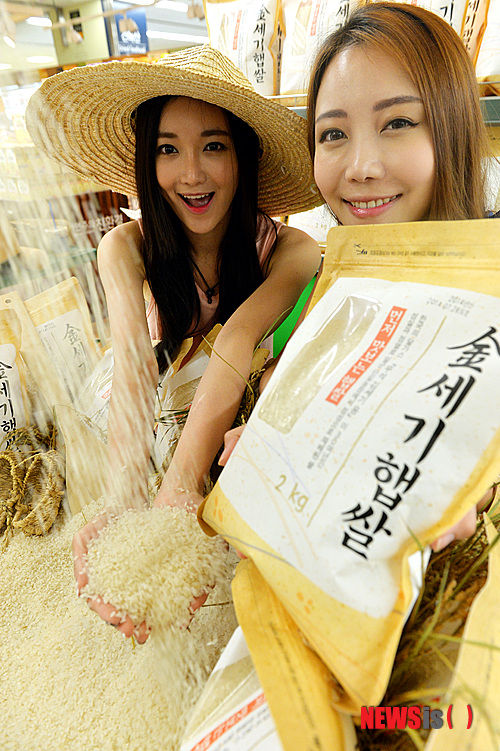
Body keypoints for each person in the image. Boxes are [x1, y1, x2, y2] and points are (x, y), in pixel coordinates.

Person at [26, 45, 321, 640]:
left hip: (229, 401)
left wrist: (183, 485)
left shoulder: (291, 250)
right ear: (147, 160)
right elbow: (134, 364)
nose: (191, 174)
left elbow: (239, 337)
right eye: (168, 149)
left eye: (214, 146)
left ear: (242, 156)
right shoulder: (125, 247)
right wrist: (123, 502)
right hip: (150, 406)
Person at [220, 3, 498, 547]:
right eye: (333, 134)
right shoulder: (328, 290)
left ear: (453, 128)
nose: (360, 167)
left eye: (397, 123)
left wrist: (476, 491)